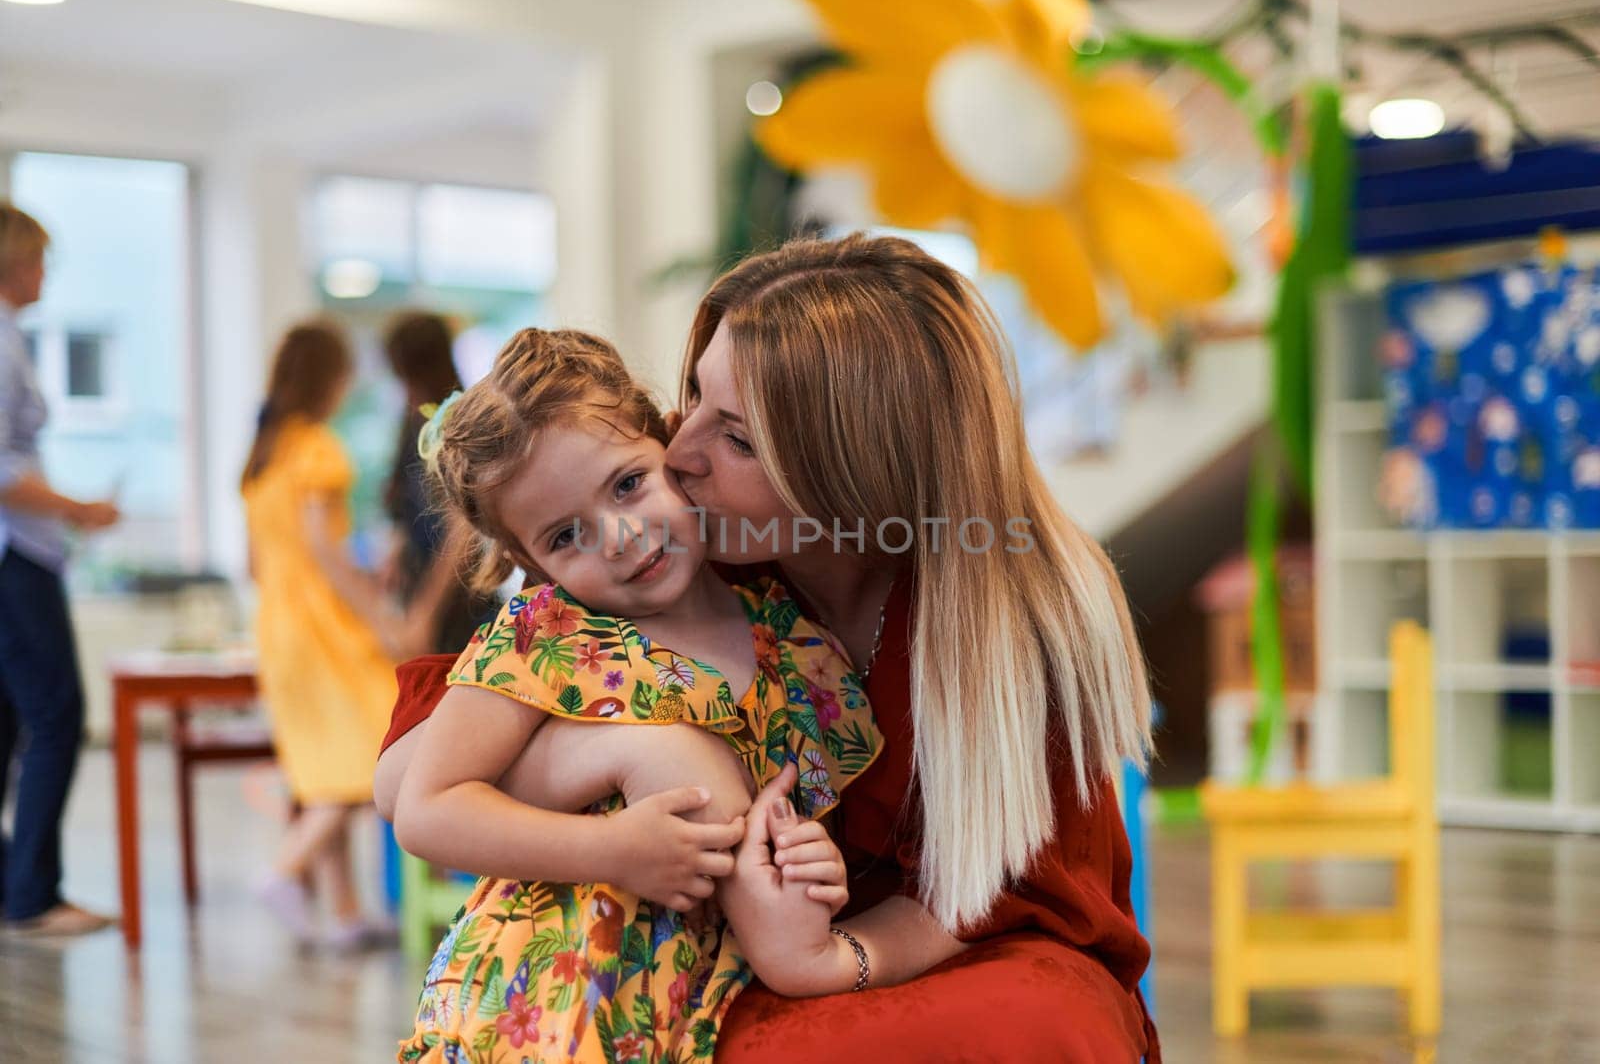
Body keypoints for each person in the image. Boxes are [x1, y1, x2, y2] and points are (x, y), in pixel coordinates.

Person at [378, 233, 1158, 1061]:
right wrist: (634, 753)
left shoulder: (1006, 623)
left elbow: (1007, 895)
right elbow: (406, 782)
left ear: (849, 473)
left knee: (1033, 1025)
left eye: (739, 438)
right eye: (691, 395)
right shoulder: (653, 541)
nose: (680, 449)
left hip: (897, 948)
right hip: (660, 964)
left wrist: (828, 952)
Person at [390, 327, 878, 1061]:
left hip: (689, 1009)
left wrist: (814, 861)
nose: (618, 537)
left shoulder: (796, 643)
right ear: (530, 559)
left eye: (627, 484)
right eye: (565, 536)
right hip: (531, 1002)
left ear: (668, 449)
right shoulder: (548, 636)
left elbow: (804, 810)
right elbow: (426, 808)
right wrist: (610, 847)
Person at [241, 320, 400, 950]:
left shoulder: (263, 456)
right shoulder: (316, 449)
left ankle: (346, 911)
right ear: (327, 380)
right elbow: (324, 552)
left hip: (277, 629)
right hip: (321, 627)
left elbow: (256, 563)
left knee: (322, 764)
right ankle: (284, 869)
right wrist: (378, 616)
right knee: (367, 755)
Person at [0, 202, 120, 936]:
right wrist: (79, 507)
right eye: (39, 259)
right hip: (17, 555)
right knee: (55, 714)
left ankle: (16, 882)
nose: (46, 273)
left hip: (20, 551)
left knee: (11, 719)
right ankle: (35, 892)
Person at [379, 312, 498, 656]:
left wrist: (426, 613)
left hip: (459, 602)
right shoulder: (414, 423)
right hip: (428, 590)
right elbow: (405, 509)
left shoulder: (449, 424)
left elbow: (462, 529)